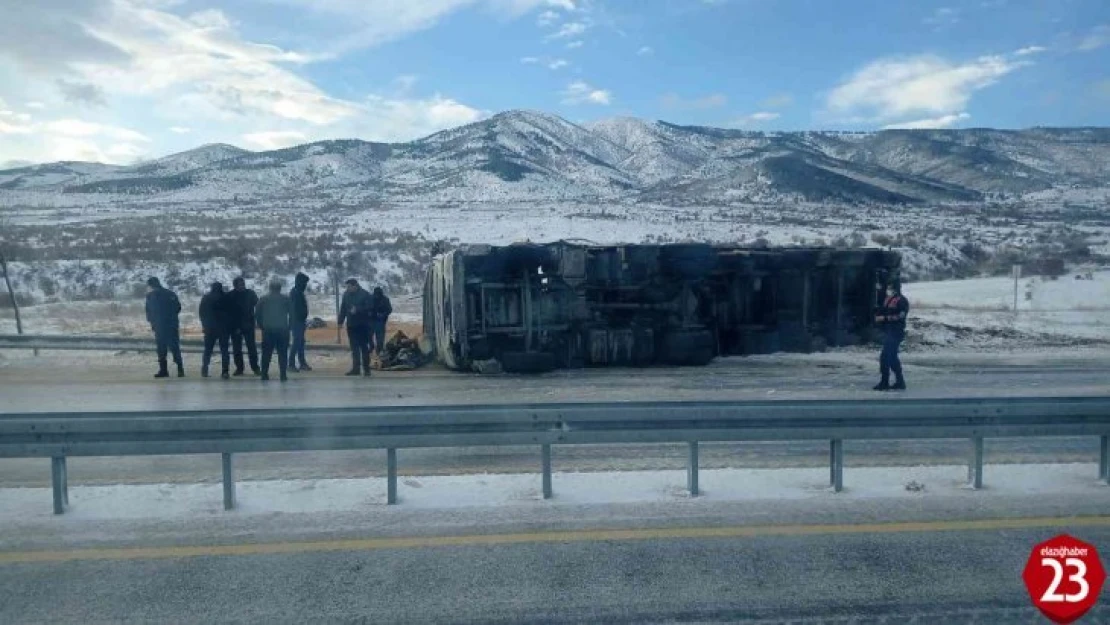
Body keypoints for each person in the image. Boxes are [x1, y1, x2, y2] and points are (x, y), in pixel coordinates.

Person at [144, 277, 184, 379]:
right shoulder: (170, 294)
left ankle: (163, 370)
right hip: (171, 325)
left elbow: (148, 312)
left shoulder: (150, 296)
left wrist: (153, 322)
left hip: (159, 326)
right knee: (175, 347)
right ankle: (180, 369)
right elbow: (178, 307)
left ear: (151, 285)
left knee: (161, 349)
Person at [874, 280, 909, 391]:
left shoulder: (901, 301)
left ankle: (886, 382)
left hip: (896, 332)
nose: (888, 290)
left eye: (891, 288)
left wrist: (885, 318)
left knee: (886, 356)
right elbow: (882, 310)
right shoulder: (888, 300)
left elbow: (900, 316)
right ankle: (899, 381)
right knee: (891, 357)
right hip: (888, 331)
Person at [256, 279, 292, 382]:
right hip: (282, 330)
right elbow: (292, 314)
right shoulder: (286, 299)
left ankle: (264, 374)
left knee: (266, 354)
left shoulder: (263, 299)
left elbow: (257, 314)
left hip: (268, 330)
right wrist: (289, 326)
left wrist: (261, 325)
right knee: (283, 354)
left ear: (270, 288)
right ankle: (283, 375)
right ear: (280, 288)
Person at [338, 278, 374, 377]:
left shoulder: (365, 294)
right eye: (347, 287)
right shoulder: (346, 295)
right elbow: (343, 308)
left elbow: (370, 307)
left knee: (364, 347)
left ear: (355, 286)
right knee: (354, 348)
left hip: (363, 325)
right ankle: (356, 368)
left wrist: (358, 309)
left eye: (349, 286)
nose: (348, 289)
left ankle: (366, 369)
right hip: (351, 325)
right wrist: (340, 321)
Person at [227, 277, 261, 376]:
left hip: (248, 325)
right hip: (235, 327)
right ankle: (239, 368)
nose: (242, 286)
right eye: (240, 284)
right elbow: (228, 312)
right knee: (237, 349)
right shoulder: (231, 295)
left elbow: (258, 305)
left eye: (243, 284)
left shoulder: (250, 293)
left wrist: (256, 319)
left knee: (252, 348)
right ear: (235, 286)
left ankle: (255, 368)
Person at [198, 281, 231, 379]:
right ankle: (225, 371)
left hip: (210, 328)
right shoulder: (226, 298)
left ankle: (205, 369)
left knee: (208, 350)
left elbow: (201, 313)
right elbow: (232, 312)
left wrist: (204, 325)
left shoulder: (206, 298)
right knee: (224, 350)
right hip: (223, 328)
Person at [288, 272, 312, 372]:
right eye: (304, 283)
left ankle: (302, 363)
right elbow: (294, 310)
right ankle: (291, 364)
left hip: (300, 321)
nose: (305, 285)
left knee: (301, 342)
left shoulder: (298, 292)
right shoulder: (295, 293)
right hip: (297, 322)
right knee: (297, 343)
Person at [370, 286, 392, 359]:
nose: (376, 296)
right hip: (371, 320)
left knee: (380, 338)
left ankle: (379, 351)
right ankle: (371, 348)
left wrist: (383, 314)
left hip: (381, 321)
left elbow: (389, 309)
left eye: (378, 294)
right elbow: (367, 307)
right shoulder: (371, 298)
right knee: (368, 336)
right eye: (375, 294)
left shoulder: (385, 299)